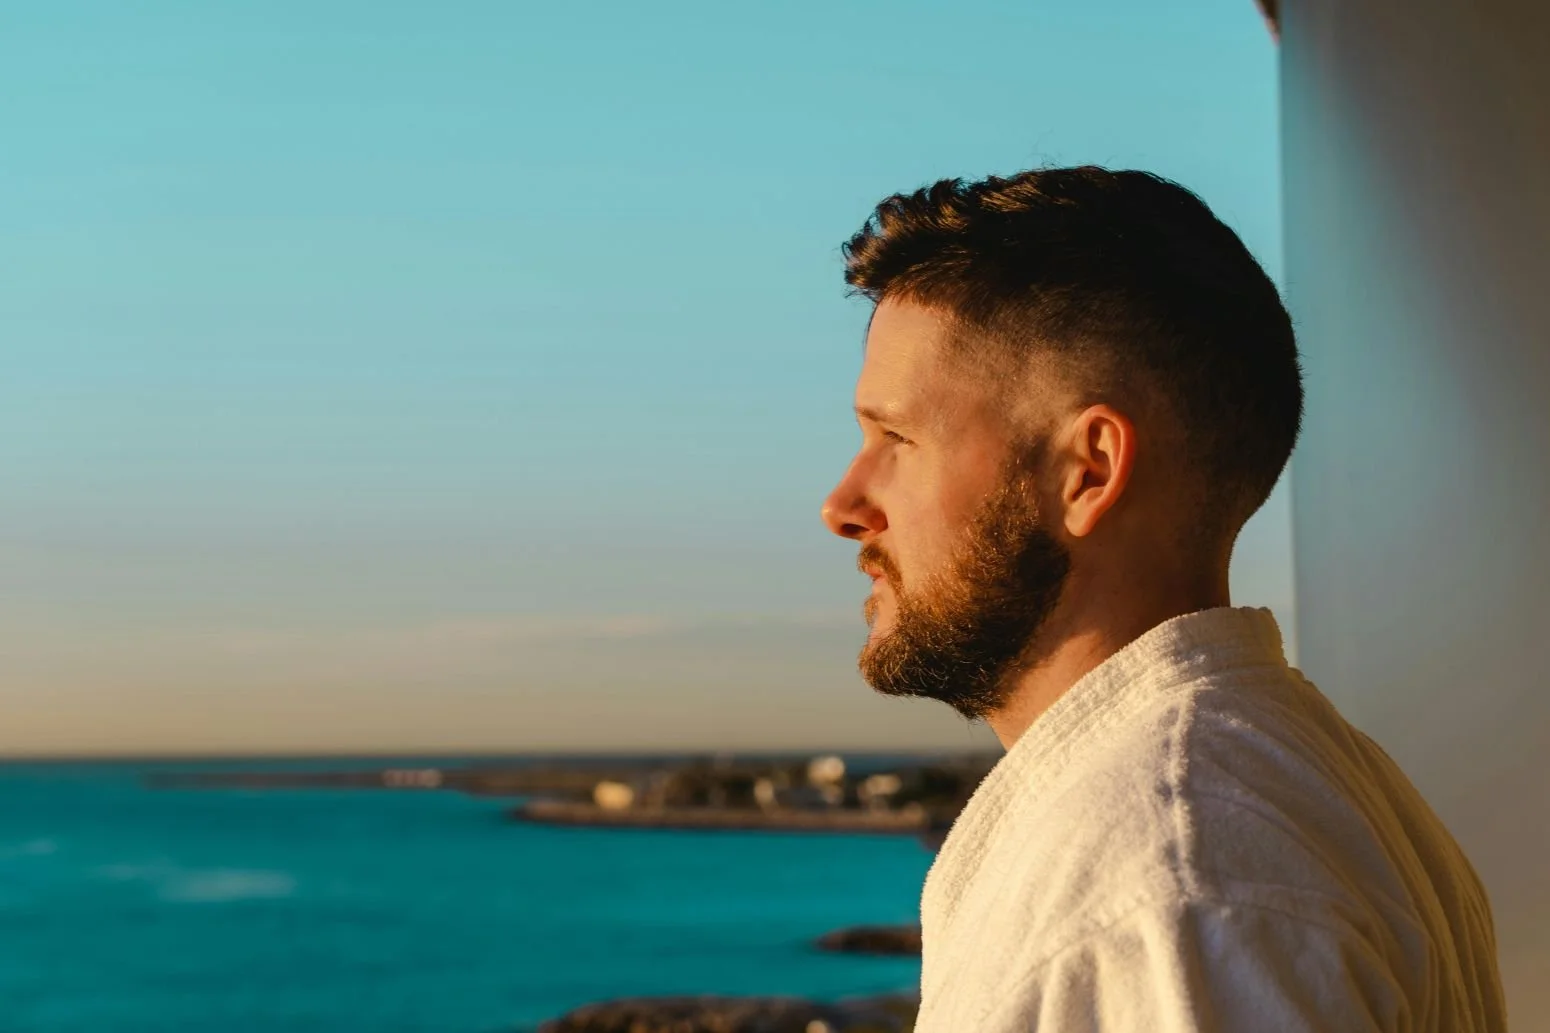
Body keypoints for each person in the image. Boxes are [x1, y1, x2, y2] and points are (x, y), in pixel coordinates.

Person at [820, 167, 1507, 1032]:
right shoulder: (1283, 788)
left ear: (1089, 470)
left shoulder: (1173, 886)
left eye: (896, 438)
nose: (842, 503)